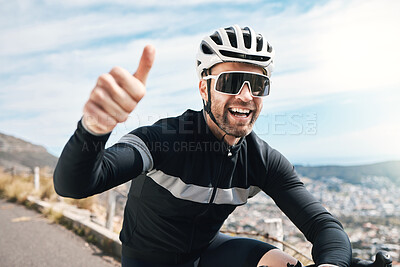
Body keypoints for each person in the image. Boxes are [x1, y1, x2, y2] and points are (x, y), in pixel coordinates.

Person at [54, 25, 352, 267]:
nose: (246, 96)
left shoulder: (262, 160)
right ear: (203, 88)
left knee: (281, 264)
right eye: (231, 81)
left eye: (257, 85)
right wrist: (94, 129)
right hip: (147, 260)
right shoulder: (165, 139)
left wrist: (332, 265)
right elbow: (75, 185)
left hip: (207, 253)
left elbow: (323, 227)